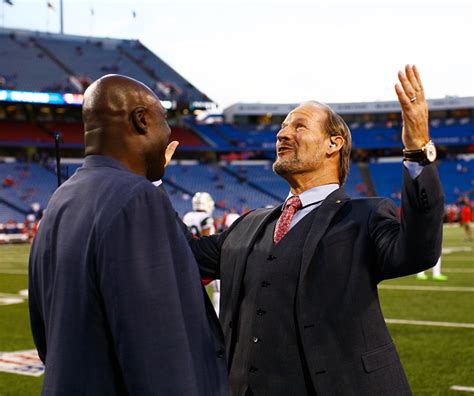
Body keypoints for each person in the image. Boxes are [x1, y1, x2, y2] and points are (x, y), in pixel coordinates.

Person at [180, 65, 444, 395]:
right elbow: (179, 253)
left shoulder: (365, 216)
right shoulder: (248, 224)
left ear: (334, 144)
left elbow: (419, 249)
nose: (282, 134)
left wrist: (418, 149)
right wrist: (151, 179)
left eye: (299, 126)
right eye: (282, 127)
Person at [28, 74, 228, 395]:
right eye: (165, 123)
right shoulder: (136, 198)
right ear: (141, 120)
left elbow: (45, 338)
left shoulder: (61, 199)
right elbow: (160, 357)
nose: (168, 136)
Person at [183, 192, 221, 315]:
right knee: (219, 285)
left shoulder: (188, 215)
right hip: (200, 256)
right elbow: (206, 239)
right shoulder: (206, 218)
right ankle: (217, 313)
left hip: (186, 254)